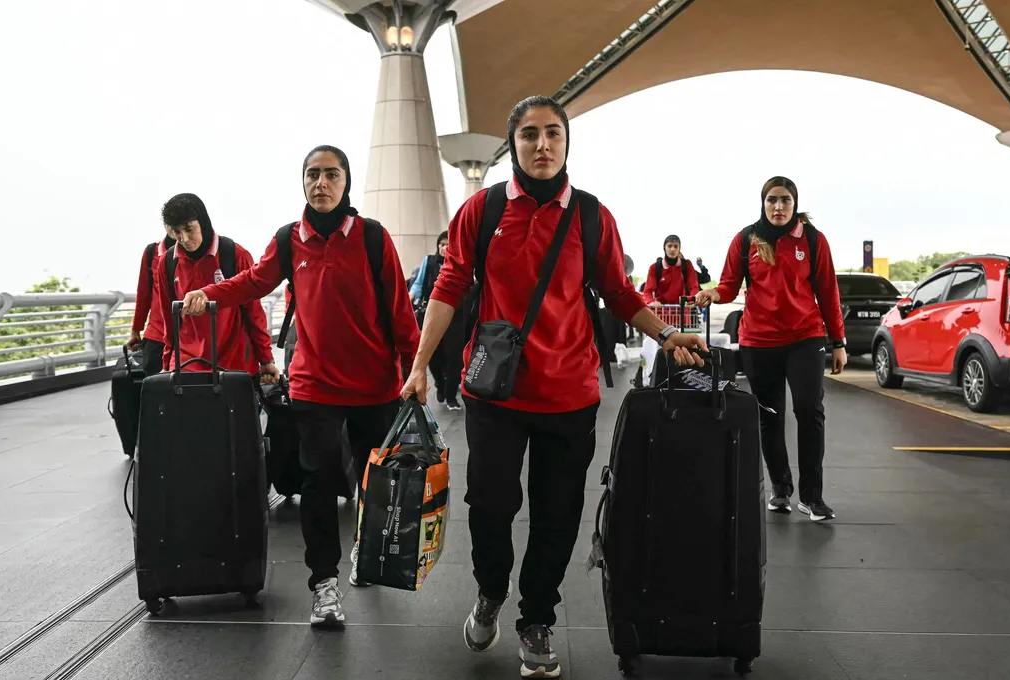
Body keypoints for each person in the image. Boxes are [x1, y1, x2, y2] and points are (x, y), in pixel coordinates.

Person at [401, 95, 706, 679]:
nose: (542, 145)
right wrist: (418, 366)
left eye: (553, 134)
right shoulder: (483, 210)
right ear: (512, 145)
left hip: (568, 393)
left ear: (567, 143)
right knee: (490, 503)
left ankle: (537, 618)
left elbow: (618, 292)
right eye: (529, 135)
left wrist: (667, 334)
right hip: (494, 391)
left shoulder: (591, 216)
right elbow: (449, 285)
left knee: (557, 514)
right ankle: (491, 590)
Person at [180, 145, 420, 629]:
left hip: (375, 383)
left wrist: (417, 370)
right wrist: (208, 293)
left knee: (376, 482)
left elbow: (399, 309)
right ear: (303, 182)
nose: (321, 183)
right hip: (314, 384)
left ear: (346, 182)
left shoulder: (373, 237)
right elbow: (253, 282)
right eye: (313, 174)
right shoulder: (290, 240)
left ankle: (365, 550)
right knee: (318, 481)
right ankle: (324, 584)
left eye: (331, 174)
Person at [695, 176, 846, 522]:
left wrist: (838, 342)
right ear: (763, 204)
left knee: (809, 411)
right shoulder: (746, 239)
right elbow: (729, 285)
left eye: (785, 200)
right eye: (772, 200)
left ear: (795, 203)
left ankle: (812, 497)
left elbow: (828, 292)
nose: (778, 207)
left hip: (805, 337)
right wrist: (713, 293)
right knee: (770, 415)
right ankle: (781, 489)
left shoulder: (812, 239)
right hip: (759, 341)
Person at [152, 193, 278, 387]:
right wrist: (167, 363)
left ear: (203, 222)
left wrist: (266, 359)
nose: (184, 238)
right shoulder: (167, 263)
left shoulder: (235, 255)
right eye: (177, 232)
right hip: (187, 364)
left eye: (189, 229)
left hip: (234, 363)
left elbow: (254, 314)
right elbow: (169, 319)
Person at [407, 231, 463, 410]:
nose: (443, 248)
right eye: (441, 244)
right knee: (433, 355)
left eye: (447, 244)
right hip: (431, 315)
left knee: (454, 357)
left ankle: (451, 396)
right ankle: (440, 383)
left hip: (455, 317)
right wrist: (411, 295)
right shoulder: (430, 262)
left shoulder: (460, 263)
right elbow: (418, 282)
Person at [639, 234, 701, 385]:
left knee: (683, 352)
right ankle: (656, 380)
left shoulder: (686, 266)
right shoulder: (655, 268)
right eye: (669, 246)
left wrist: (692, 299)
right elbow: (648, 291)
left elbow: (694, 286)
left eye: (675, 246)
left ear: (679, 248)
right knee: (660, 351)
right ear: (664, 248)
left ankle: (683, 382)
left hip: (682, 316)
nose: (672, 249)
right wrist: (652, 302)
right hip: (662, 318)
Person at [127, 225, 177, 375]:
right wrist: (136, 330)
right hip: (157, 335)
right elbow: (143, 294)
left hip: (191, 339)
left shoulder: (199, 253)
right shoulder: (152, 252)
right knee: (154, 385)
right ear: (165, 224)